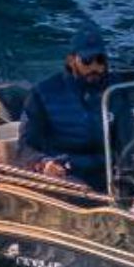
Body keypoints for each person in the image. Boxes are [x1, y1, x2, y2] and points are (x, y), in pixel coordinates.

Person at [19, 27, 117, 188]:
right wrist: (44, 163)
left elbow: (127, 138)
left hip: (109, 171)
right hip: (67, 175)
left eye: (100, 60)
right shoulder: (42, 94)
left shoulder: (116, 91)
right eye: (87, 60)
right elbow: (25, 148)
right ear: (71, 61)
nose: (94, 67)